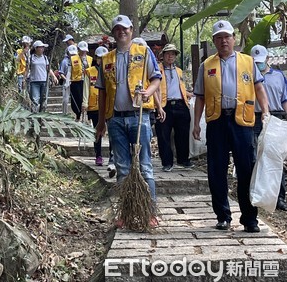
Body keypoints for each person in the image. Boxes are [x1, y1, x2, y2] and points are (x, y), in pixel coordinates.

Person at [193, 20, 269, 233]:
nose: (223, 40)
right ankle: (223, 216)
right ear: (214, 41)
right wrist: (197, 124)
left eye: (227, 36)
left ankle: (250, 219)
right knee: (217, 170)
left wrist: (265, 111)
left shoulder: (247, 61)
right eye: (219, 37)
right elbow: (199, 97)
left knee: (246, 169)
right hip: (217, 121)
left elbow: (259, 87)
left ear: (234, 39)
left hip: (242, 122)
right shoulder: (206, 65)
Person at [95, 14, 161, 225]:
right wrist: (101, 122)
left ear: (131, 30)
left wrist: (149, 93)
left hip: (138, 116)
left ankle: (150, 213)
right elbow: (103, 92)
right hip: (115, 119)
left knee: (145, 165)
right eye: (117, 29)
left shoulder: (143, 52)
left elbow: (156, 78)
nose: (121, 32)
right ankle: (124, 213)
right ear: (114, 33)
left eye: (125, 29)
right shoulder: (106, 60)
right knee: (122, 167)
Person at [251, 44, 287, 211]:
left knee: (275, 158)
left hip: (275, 118)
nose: (258, 64)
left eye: (260, 61)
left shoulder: (279, 76)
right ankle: (256, 194)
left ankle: (279, 197)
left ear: (267, 59)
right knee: (254, 157)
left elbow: (284, 100)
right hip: (254, 118)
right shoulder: (248, 76)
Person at [156, 43, 193, 171]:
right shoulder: (157, 69)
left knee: (183, 133)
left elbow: (179, 87)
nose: (170, 56)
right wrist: (158, 106)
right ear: (163, 55)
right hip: (164, 105)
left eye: (173, 54)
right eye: (168, 54)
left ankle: (183, 159)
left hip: (180, 104)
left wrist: (189, 94)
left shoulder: (179, 71)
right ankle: (167, 162)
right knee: (163, 135)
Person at [82, 46, 109, 166]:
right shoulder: (89, 71)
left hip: (109, 106)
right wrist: (84, 103)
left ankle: (113, 156)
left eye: (103, 58)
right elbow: (86, 88)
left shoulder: (111, 70)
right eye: (99, 58)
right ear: (96, 58)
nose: (101, 60)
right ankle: (98, 155)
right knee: (97, 131)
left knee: (112, 131)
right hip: (94, 106)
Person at [26, 40, 58, 113]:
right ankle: (34, 118)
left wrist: (54, 77)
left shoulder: (45, 58)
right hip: (34, 81)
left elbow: (48, 68)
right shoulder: (31, 58)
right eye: (41, 47)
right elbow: (27, 69)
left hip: (44, 81)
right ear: (36, 48)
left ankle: (42, 117)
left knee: (43, 100)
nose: (42, 49)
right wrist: (24, 79)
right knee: (35, 100)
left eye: (43, 47)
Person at [69, 41, 93, 121]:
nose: (83, 51)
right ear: (78, 49)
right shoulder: (73, 59)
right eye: (81, 50)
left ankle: (86, 117)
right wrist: (67, 81)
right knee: (77, 99)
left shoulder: (90, 59)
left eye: (84, 50)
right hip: (76, 81)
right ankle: (78, 115)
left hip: (87, 81)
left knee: (86, 99)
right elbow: (70, 71)